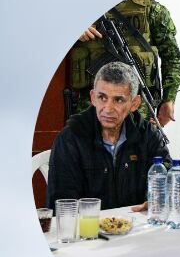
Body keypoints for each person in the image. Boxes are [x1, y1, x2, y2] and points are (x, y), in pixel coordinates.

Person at [47, 61, 170, 211]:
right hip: (88, 225)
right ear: (93, 97)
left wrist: (159, 201)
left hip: (137, 223)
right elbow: (61, 205)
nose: (108, 109)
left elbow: (174, 184)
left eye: (118, 100)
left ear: (134, 103)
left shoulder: (148, 135)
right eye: (102, 97)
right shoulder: (70, 138)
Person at [65, 0, 180, 125]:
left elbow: (172, 57)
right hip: (90, 105)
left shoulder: (151, 9)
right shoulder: (77, 10)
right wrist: (70, 30)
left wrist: (168, 99)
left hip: (138, 106)